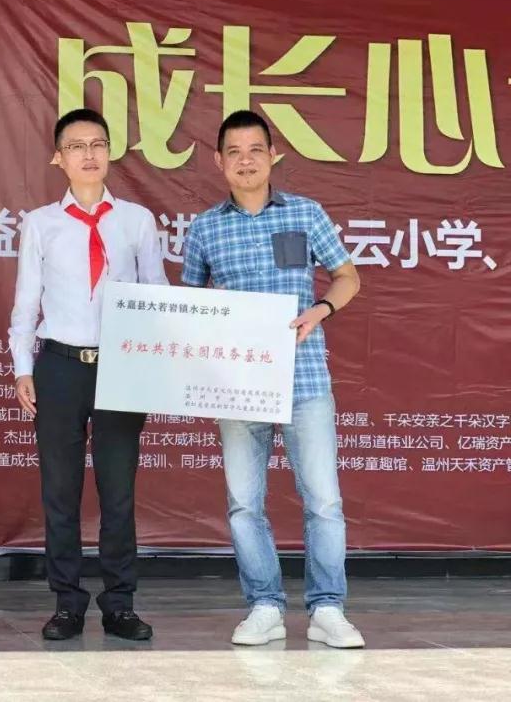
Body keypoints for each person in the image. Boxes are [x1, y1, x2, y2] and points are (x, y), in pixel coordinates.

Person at [181, 109, 365, 648]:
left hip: (304, 380)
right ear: (218, 161)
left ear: (273, 156)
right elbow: (190, 305)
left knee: (324, 501)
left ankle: (328, 608)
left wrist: (321, 310)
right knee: (244, 503)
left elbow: (347, 276)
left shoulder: (306, 213)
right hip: (237, 386)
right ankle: (264, 605)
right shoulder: (205, 228)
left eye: (255, 150)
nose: (245, 161)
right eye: (234, 153)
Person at [8, 108, 168, 641]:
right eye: (76, 146)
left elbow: (156, 295)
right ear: (59, 158)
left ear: (110, 152)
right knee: (61, 491)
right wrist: (22, 368)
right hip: (59, 365)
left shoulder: (137, 221)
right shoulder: (41, 223)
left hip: (122, 363)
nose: (89, 154)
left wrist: (156, 363)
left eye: (98, 144)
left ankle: (120, 603)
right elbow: (26, 301)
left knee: (118, 491)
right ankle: (67, 603)